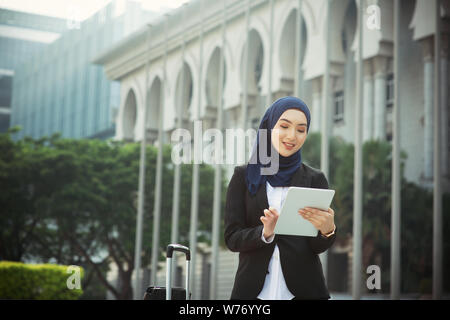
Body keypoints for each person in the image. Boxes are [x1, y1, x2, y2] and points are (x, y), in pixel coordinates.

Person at [224, 96, 336, 300]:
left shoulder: (315, 179)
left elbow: (316, 247)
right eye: (284, 126)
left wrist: (327, 230)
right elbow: (232, 238)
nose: (292, 136)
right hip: (253, 294)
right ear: (269, 127)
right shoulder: (243, 176)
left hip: (304, 292)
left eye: (301, 130)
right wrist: (265, 232)